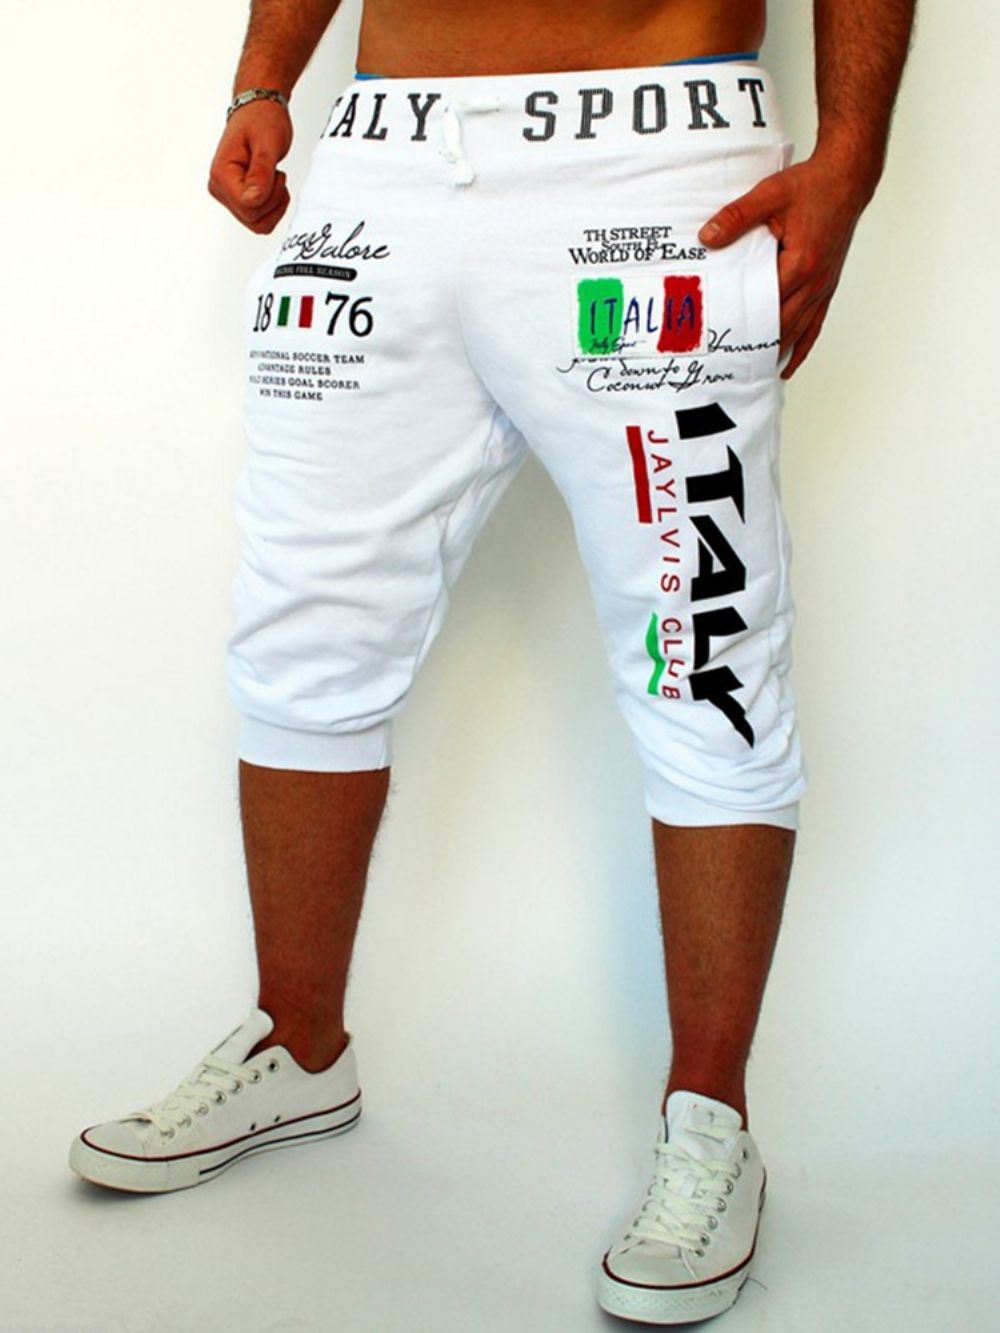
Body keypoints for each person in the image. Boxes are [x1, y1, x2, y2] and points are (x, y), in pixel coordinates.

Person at [69, 0, 915, 1323]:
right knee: (303, 627)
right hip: (382, 167)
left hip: (654, 168)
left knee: (705, 655)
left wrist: (850, 158)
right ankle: (299, 1046)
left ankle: (712, 1121)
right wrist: (262, 82)